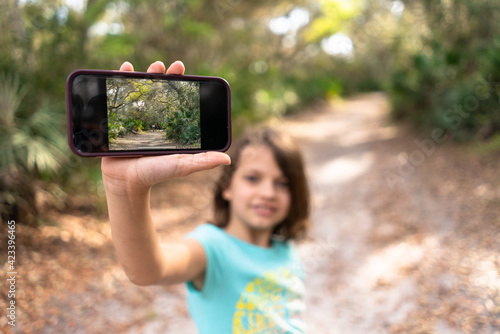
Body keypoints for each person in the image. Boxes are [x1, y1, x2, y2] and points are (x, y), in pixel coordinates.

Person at [101, 60, 310, 334]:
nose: (268, 193)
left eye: (282, 183)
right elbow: (149, 269)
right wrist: (125, 189)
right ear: (227, 187)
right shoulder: (211, 249)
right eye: (252, 178)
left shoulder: (286, 251)